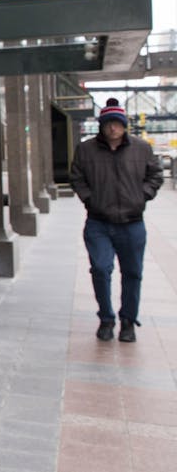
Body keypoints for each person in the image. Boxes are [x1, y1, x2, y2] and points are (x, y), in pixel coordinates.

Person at [70, 99, 164, 342]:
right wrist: (90, 200)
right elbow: (77, 178)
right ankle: (106, 318)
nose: (113, 128)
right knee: (100, 269)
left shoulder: (141, 148)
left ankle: (128, 321)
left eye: (117, 123)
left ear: (124, 126)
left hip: (132, 223)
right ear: (102, 126)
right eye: (108, 123)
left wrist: (141, 197)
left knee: (133, 273)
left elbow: (155, 175)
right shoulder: (86, 150)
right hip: (99, 222)